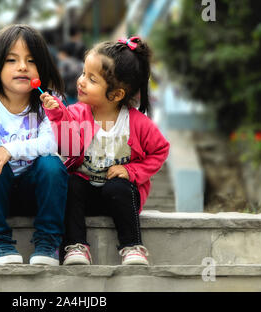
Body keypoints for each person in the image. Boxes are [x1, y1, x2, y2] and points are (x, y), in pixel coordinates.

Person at [39, 36, 170, 266]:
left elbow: (160, 150)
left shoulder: (137, 123)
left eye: (92, 79)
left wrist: (132, 171)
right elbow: (66, 148)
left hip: (118, 197)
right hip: (85, 194)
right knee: (71, 184)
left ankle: (132, 246)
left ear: (117, 94)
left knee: (119, 186)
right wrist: (58, 116)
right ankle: (75, 246)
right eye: (83, 74)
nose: (81, 82)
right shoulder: (77, 114)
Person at [0, 24, 68, 266]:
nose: (22, 66)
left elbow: (50, 143)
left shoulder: (50, 102)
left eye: (31, 61)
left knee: (52, 164)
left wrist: (9, 150)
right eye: (12, 60)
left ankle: (48, 243)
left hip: (37, 192)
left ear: (41, 68)